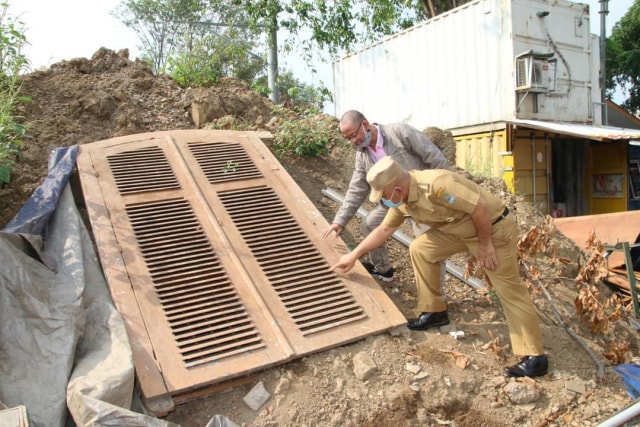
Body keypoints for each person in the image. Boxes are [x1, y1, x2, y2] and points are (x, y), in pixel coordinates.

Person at [330, 156, 548, 378]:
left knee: (508, 289)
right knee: (421, 249)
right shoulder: (402, 201)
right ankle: (434, 311)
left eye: (384, 195)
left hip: (492, 228)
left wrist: (485, 245)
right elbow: (383, 231)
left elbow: (479, 208)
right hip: (458, 230)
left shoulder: (437, 184)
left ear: (395, 187)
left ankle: (535, 357)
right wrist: (354, 256)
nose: (383, 201)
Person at [321, 110, 450, 282]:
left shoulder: (399, 133)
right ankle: (383, 270)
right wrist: (339, 221)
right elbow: (357, 188)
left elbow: (434, 157)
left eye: (353, 135)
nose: (353, 141)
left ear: (365, 124)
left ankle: (436, 300)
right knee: (370, 224)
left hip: (419, 198)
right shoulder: (362, 155)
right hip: (392, 202)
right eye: (348, 139)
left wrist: (441, 192)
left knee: (428, 245)